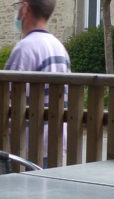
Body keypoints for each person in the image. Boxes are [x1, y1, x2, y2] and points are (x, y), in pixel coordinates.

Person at [5, 0, 70, 164]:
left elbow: (8, 97)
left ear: (25, 8)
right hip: (54, 140)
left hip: (28, 144)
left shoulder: (25, 49)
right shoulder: (59, 47)